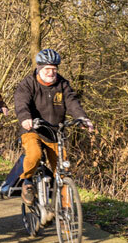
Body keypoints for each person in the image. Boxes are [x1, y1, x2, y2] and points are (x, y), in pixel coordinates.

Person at [14, 49, 94, 206]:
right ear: (39, 68)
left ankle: (66, 215)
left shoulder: (62, 84)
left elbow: (72, 102)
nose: (51, 73)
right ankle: (27, 181)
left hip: (55, 133)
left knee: (63, 172)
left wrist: (82, 118)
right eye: (47, 69)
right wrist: (25, 118)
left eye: (54, 69)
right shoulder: (28, 83)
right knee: (35, 154)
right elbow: (21, 102)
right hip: (33, 130)